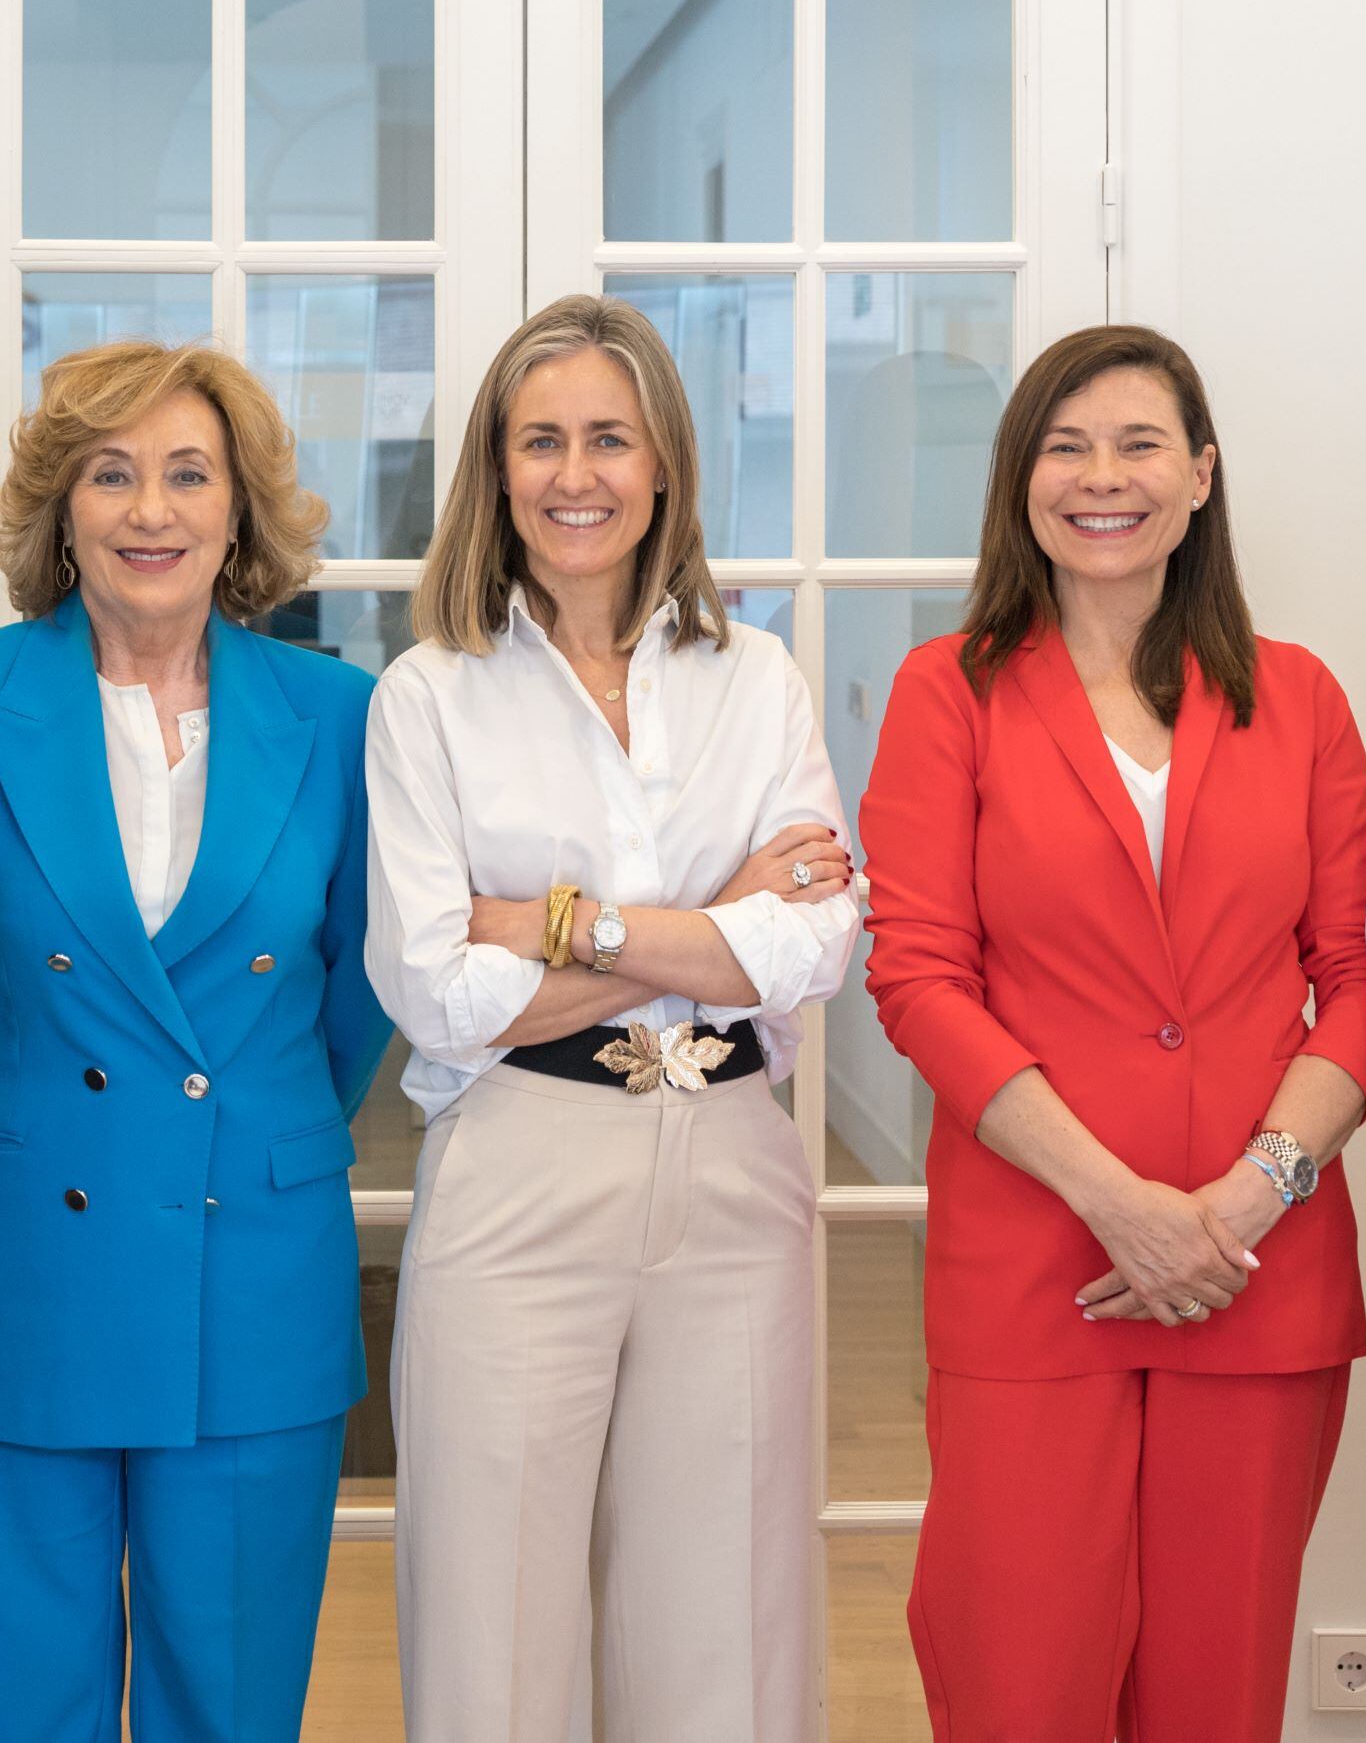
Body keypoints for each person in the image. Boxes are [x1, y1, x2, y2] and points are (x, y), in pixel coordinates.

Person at [858, 323, 1366, 1743]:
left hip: (1254, 1272)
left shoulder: (1304, 697)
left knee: (1218, 1697)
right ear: (1021, 479)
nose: (1105, 476)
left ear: (1202, 474)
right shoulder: (945, 692)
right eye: (1066, 445)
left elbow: (1361, 976)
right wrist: (1115, 1201)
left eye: (1142, 442)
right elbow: (917, 976)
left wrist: (1248, 1193)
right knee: (1018, 1686)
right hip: (1040, 1270)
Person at [367, 293, 857, 1743]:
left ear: (664, 468)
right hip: (521, 1163)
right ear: (494, 471)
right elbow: (435, 986)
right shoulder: (429, 695)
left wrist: (562, 924)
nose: (573, 473)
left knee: (732, 1621)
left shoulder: (753, 679)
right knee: (494, 1628)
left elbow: (821, 938)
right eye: (539, 441)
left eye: (608, 438)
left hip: (732, 1162)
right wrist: (714, 920)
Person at [0, 341, 386, 1743]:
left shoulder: (341, 711)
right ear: (58, 507)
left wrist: (254, 1129)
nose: (149, 509)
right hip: (16, 1263)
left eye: (189, 473)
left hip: (253, 1256)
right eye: (109, 474)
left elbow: (354, 994)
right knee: (19, 1704)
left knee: (233, 1703)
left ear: (240, 509)